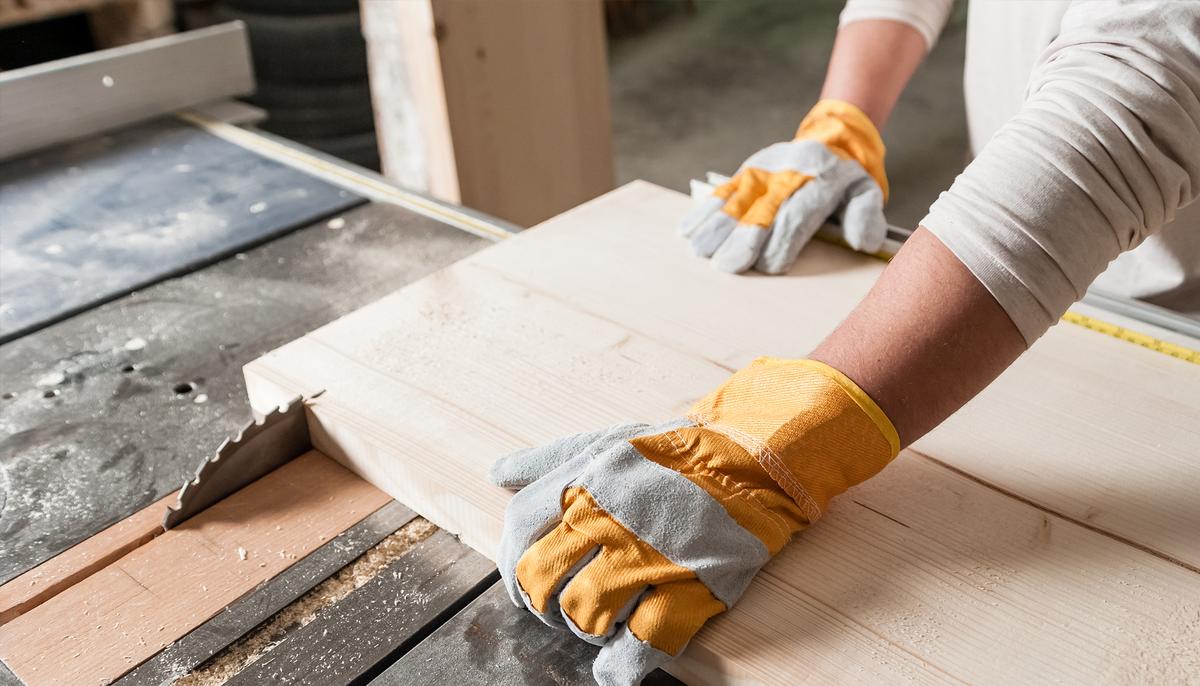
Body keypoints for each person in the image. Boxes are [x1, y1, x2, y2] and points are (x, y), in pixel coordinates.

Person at [487, 2, 1200, 684]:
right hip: (1018, 231)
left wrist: (781, 440)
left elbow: (1148, 79)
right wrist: (843, 119)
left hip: (1164, 312)